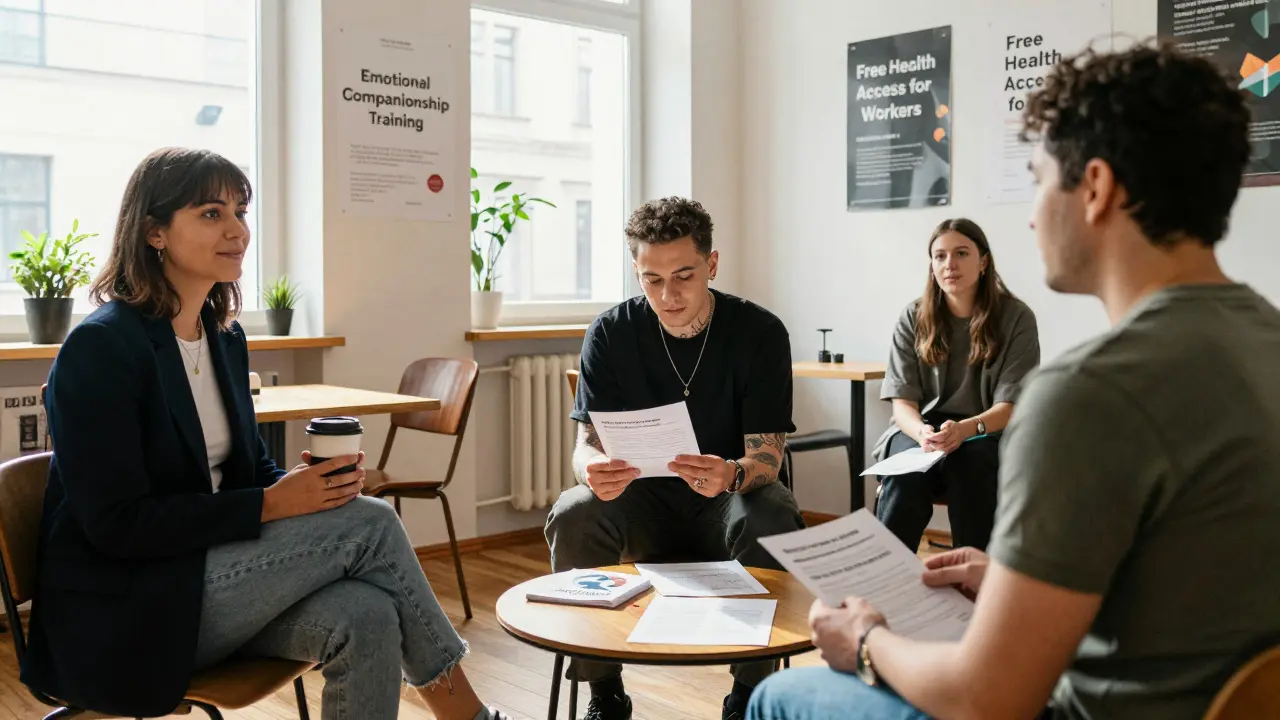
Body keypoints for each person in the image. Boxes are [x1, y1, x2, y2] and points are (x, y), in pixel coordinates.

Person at [748, 41, 1280, 720]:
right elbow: (1181, 574)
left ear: (1095, 188)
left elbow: (985, 699)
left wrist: (867, 640)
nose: (1031, 215)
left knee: (779, 695)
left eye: (1038, 180)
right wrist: (1007, 577)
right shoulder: (1264, 343)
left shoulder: (1087, 395)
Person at [20, 147, 510, 720]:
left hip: (207, 580)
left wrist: (302, 488)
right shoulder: (102, 348)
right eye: (211, 213)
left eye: (241, 212)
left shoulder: (223, 338)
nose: (237, 231)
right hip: (130, 606)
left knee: (367, 613)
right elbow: (116, 524)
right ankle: (468, 717)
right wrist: (271, 505)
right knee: (372, 523)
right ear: (154, 232)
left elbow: (249, 471)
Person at [545, 197, 805, 720]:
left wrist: (732, 473)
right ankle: (604, 693)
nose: (668, 295)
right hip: (639, 506)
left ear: (712, 264)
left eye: (684, 276)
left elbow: (768, 458)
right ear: (636, 272)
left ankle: (748, 698)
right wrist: (589, 470)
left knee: (774, 509)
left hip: (727, 505)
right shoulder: (610, 333)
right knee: (573, 511)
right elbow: (586, 444)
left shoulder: (759, 332)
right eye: (652, 279)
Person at [873, 218, 1039, 552]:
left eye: (961, 253)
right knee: (905, 478)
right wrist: (922, 433)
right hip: (921, 430)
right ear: (932, 265)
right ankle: (884, 575)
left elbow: (1011, 406)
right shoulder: (913, 317)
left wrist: (965, 430)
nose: (950, 264)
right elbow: (902, 404)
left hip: (985, 430)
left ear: (983, 261)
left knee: (972, 467)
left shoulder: (1016, 317)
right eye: (940, 256)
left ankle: (973, 575)